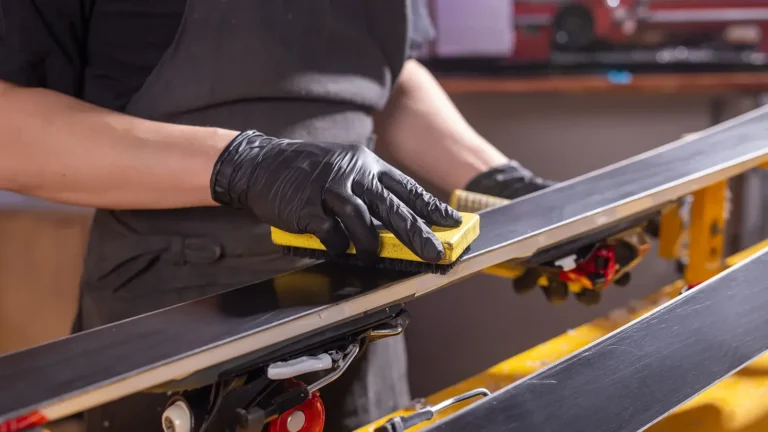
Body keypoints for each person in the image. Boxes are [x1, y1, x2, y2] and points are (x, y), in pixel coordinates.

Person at [0, 0, 553, 430]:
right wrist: (243, 163)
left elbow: (383, 77)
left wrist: (494, 178)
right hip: (179, 341)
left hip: (363, 320)